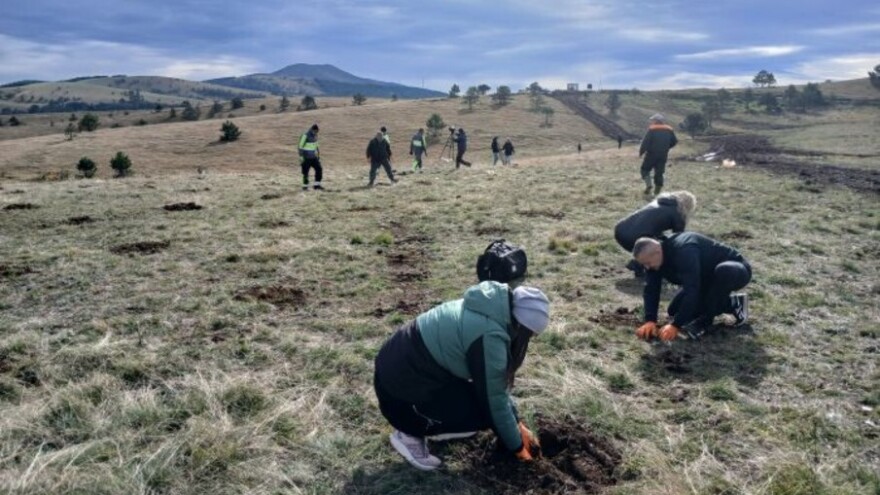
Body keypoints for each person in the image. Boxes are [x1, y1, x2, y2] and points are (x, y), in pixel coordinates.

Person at [374, 281, 550, 471]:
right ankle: (409, 432)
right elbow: (494, 404)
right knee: (482, 415)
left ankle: (440, 425)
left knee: (477, 409)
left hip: (404, 369)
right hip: (400, 393)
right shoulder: (490, 336)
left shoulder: (491, 309)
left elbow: (495, 387)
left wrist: (518, 425)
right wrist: (518, 449)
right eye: (530, 335)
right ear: (524, 328)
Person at [632, 232, 751, 341]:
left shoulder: (684, 250)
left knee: (723, 273)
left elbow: (692, 290)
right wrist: (650, 320)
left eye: (647, 263)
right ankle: (733, 304)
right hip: (705, 280)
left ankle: (705, 322)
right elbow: (651, 290)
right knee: (674, 310)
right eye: (644, 265)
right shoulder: (654, 261)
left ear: (657, 251)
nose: (647, 268)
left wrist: (676, 325)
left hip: (736, 270)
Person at [614, 191, 697, 277]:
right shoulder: (678, 214)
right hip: (634, 238)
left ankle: (640, 264)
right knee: (664, 246)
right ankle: (639, 264)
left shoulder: (658, 202)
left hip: (620, 230)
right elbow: (679, 239)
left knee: (659, 239)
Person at [639, 114, 677, 195]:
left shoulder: (652, 129)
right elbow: (674, 141)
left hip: (651, 154)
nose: (651, 121)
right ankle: (657, 193)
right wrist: (666, 147)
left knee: (644, 170)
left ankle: (649, 185)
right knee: (659, 173)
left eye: (652, 120)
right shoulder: (669, 129)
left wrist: (641, 152)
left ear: (656, 121)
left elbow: (645, 142)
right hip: (663, 155)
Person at [298, 124, 323, 191]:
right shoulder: (305, 135)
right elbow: (300, 147)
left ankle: (317, 186)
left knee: (319, 169)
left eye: (317, 132)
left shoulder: (315, 136)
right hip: (306, 158)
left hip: (314, 157)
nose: (316, 133)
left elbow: (316, 147)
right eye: (316, 131)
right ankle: (305, 187)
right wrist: (301, 157)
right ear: (312, 129)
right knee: (305, 173)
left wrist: (318, 156)